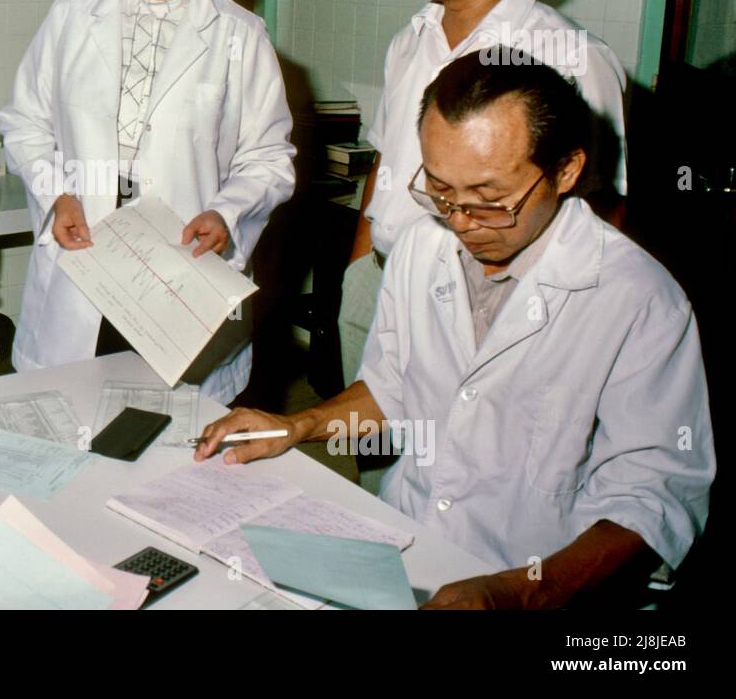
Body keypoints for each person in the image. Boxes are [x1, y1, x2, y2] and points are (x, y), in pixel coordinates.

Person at [196, 53, 714, 609]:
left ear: (566, 171)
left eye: (491, 200)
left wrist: (517, 594)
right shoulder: (423, 246)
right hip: (412, 552)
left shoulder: (638, 299)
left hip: (539, 586)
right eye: (441, 191)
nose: (461, 222)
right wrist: (298, 426)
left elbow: (653, 501)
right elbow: (391, 388)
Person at [0, 0, 295, 405]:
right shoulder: (71, 15)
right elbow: (25, 122)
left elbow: (269, 157)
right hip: (84, 260)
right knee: (72, 423)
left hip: (179, 270)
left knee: (172, 440)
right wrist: (57, 192)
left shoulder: (239, 34)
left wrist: (228, 213)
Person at [339, 0, 629, 389]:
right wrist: (360, 268)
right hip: (379, 282)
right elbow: (387, 159)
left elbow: (603, 207)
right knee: (374, 461)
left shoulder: (571, 56)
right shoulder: (410, 40)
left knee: (470, 465)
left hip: (484, 306)